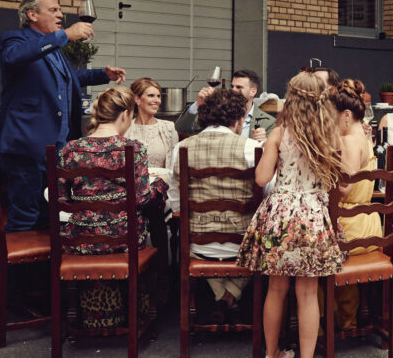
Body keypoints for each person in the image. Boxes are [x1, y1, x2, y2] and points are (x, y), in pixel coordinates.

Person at [237, 72, 346, 358]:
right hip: (312, 216)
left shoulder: (278, 133)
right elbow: (334, 181)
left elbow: (260, 179)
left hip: (280, 216)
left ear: (291, 98)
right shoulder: (329, 135)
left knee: (276, 290)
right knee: (309, 294)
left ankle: (272, 354)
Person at [0, 0, 126, 231]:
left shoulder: (51, 48)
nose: (60, 15)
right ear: (32, 14)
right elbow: (15, 57)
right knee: (26, 218)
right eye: (53, 10)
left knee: (50, 215)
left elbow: (69, 77)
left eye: (60, 10)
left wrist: (102, 75)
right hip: (27, 148)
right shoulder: (14, 40)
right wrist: (64, 36)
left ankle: (46, 268)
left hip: (56, 149)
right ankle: (18, 269)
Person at [58, 86, 168, 329]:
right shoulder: (133, 149)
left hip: (79, 238)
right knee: (154, 226)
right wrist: (159, 185)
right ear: (126, 115)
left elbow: (61, 200)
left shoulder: (70, 149)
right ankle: (141, 308)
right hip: (122, 238)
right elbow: (141, 200)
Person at [168, 89, 263, 325]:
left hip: (197, 244)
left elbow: (176, 201)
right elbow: (266, 197)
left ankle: (222, 297)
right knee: (265, 240)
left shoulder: (181, 148)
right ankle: (229, 296)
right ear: (239, 119)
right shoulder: (251, 148)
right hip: (242, 244)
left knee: (183, 238)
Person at [330, 79, 381, 330]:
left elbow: (343, 188)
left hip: (351, 226)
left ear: (346, 115)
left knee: (308, 253)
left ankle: (332, 322)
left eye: (332, 116)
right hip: (365, 220)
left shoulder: (350, 140)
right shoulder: (362, 135)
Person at [177, 69, 276, 140]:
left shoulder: (268, 122)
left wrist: (262, 142)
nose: (233, 90)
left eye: (239, 87)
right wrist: (198, 104)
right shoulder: (219, 112)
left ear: (253, 91)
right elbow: (181, 129)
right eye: (232, 86)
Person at [125, 77, 179, 169]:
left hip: (162, 181)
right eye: (151, 95)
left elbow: (175, 165)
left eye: (158, 96)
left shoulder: (168, 127)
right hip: (132, 182)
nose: (157, 100)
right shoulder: (126, 127)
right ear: (137, 99)